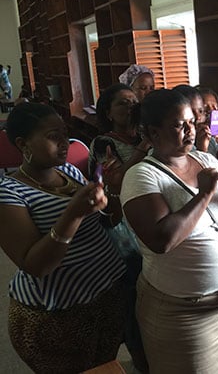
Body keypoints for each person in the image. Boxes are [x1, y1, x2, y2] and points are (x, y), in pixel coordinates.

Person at [120, 89, 218, 373]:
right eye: (178, 125)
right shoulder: (142, 176)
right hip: (181, 312)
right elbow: (163, 240)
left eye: (191, 123)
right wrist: (204, 195)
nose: (189, 130)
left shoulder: (205, 160)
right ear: (153, 133)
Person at [0, 102, 126, 373]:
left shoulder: (68, 171)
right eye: (52, 136)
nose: (65, 142)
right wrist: (73, 215)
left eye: (64, 133)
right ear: (23, 144)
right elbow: (35, 265)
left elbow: (104, 223)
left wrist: (113, 192)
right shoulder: (9, 194)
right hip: (57, 315)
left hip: (105, 297)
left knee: (104, 367)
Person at [88, 83, 151, 372]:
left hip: (146, 221)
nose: (131, 107)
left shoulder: (143, 135)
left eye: (134, 101)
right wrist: (142, 148)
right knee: (132, 300)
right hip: (121, 229)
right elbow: (117, 182)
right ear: (108, 113)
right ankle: (140, 362)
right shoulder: (104, 143)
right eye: (123, 104)